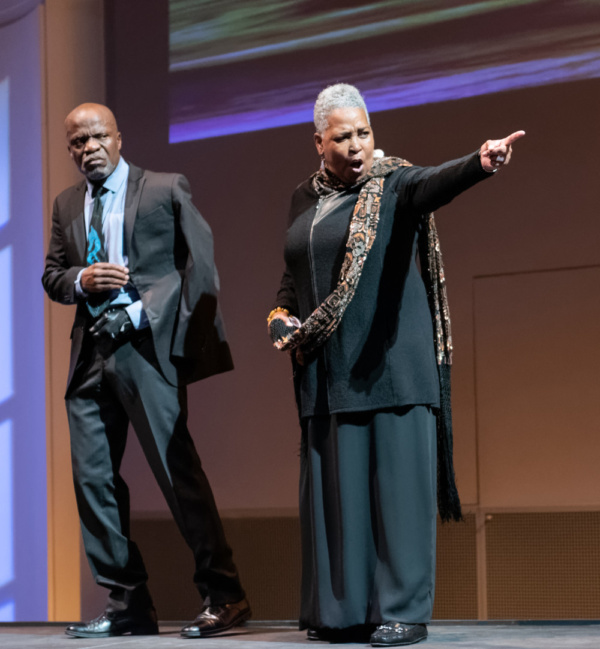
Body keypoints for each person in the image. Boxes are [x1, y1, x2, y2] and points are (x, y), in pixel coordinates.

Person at [268, 84, 524, 647]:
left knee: (398, 499)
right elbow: (294, 274)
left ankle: (402, 611)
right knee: (341, 502)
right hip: (327, 376)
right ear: (319, 142)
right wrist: (280, 315)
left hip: (390, 368)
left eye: (364, 133)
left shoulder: (393, 185)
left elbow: (436, 182)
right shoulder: (303, 199)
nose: (357, 146)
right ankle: (342, 614)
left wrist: (480, 163)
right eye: (343, 137)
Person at [42, 103, 250, 639]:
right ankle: (129, 602)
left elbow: (197, 267)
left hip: (146, 348)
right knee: (93, 481)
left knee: (175, 472)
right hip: (90, 354)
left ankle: (225, 594)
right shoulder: (67, 203)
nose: (88, 148)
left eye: (96, 137)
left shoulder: (162, 187)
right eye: (77, 143)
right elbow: (52, 274)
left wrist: (144, 312)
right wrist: (82, 280)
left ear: (118, 136)